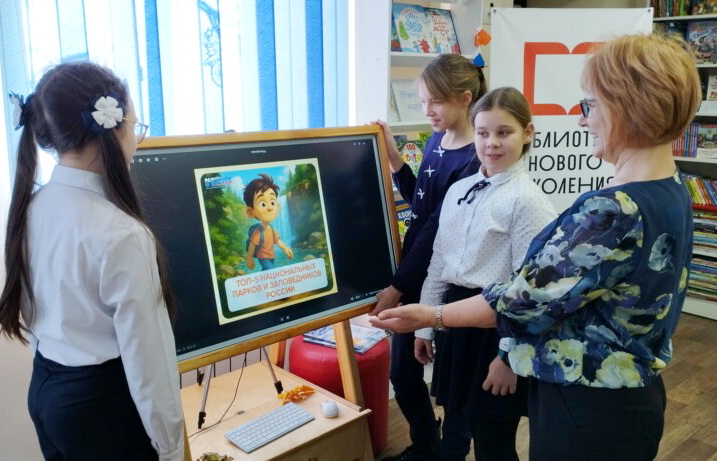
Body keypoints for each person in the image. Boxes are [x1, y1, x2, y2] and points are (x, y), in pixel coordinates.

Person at [370, 33, 700, 461]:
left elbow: (521, 301)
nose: (582, 121)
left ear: (627, 105)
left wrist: (430, 316)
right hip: (629, 397)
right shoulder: (671, 189)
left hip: (588, 409)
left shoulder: (613, 209)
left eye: (591, 106)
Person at [0, 62, 185, 460]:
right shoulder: (122, 234)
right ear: (112, 129)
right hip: (104, 412)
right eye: (134, 126)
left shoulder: (31, 208)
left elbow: (38, 316)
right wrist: (171, 448)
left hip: (48, 392)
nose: (136, 139)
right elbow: (149, 364)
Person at [414, 87, 556, 461]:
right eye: (482, 133)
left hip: (496, 328)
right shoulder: (459, 190)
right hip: (455, 319)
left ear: (527, 133)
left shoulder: (528, 200)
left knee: (493, 438)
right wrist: (425, 325)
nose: (491, 143)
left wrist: (509, 357)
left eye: (504, 132)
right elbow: (439, 262)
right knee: (456, 423)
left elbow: (531, 293)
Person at [370, 54, 487, 461]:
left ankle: (449, 450)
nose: (427, 111)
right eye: (422, 102)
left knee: (453, 385)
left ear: (465, 98)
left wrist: (397, 286)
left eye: (435, 101)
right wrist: (393, 157)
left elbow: (437, 230)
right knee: (403, 374)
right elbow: (419, 201)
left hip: (445, 285)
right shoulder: (437, 140)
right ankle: (426, 444)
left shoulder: (474, 159)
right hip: (416, 276)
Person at [243, 173, 294, 271]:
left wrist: (285, 248)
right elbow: (252, 245)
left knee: (266, 272)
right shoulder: (258, 231)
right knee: (272, 272)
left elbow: (277, 241)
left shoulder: (271, 229)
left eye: (272, 202)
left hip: (272, 257)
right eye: (263, 204)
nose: (270, 208)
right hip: (263, 258)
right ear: (251, 212)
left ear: (277, 207)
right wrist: (249, 259)